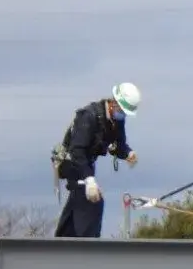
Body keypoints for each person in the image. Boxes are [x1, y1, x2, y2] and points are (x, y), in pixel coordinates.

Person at [52, 83, 140, 238]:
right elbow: (77, 150)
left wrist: (128, 153)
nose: (123, 116)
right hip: (72, 163)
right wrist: (89, 179)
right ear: (114, 103)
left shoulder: (116, 121)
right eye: (122, 111)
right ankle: (86, 246)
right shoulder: (89, 116)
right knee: (92, 201)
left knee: (81, 202)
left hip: (87, 164)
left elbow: (118, 144)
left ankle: (64, 239)